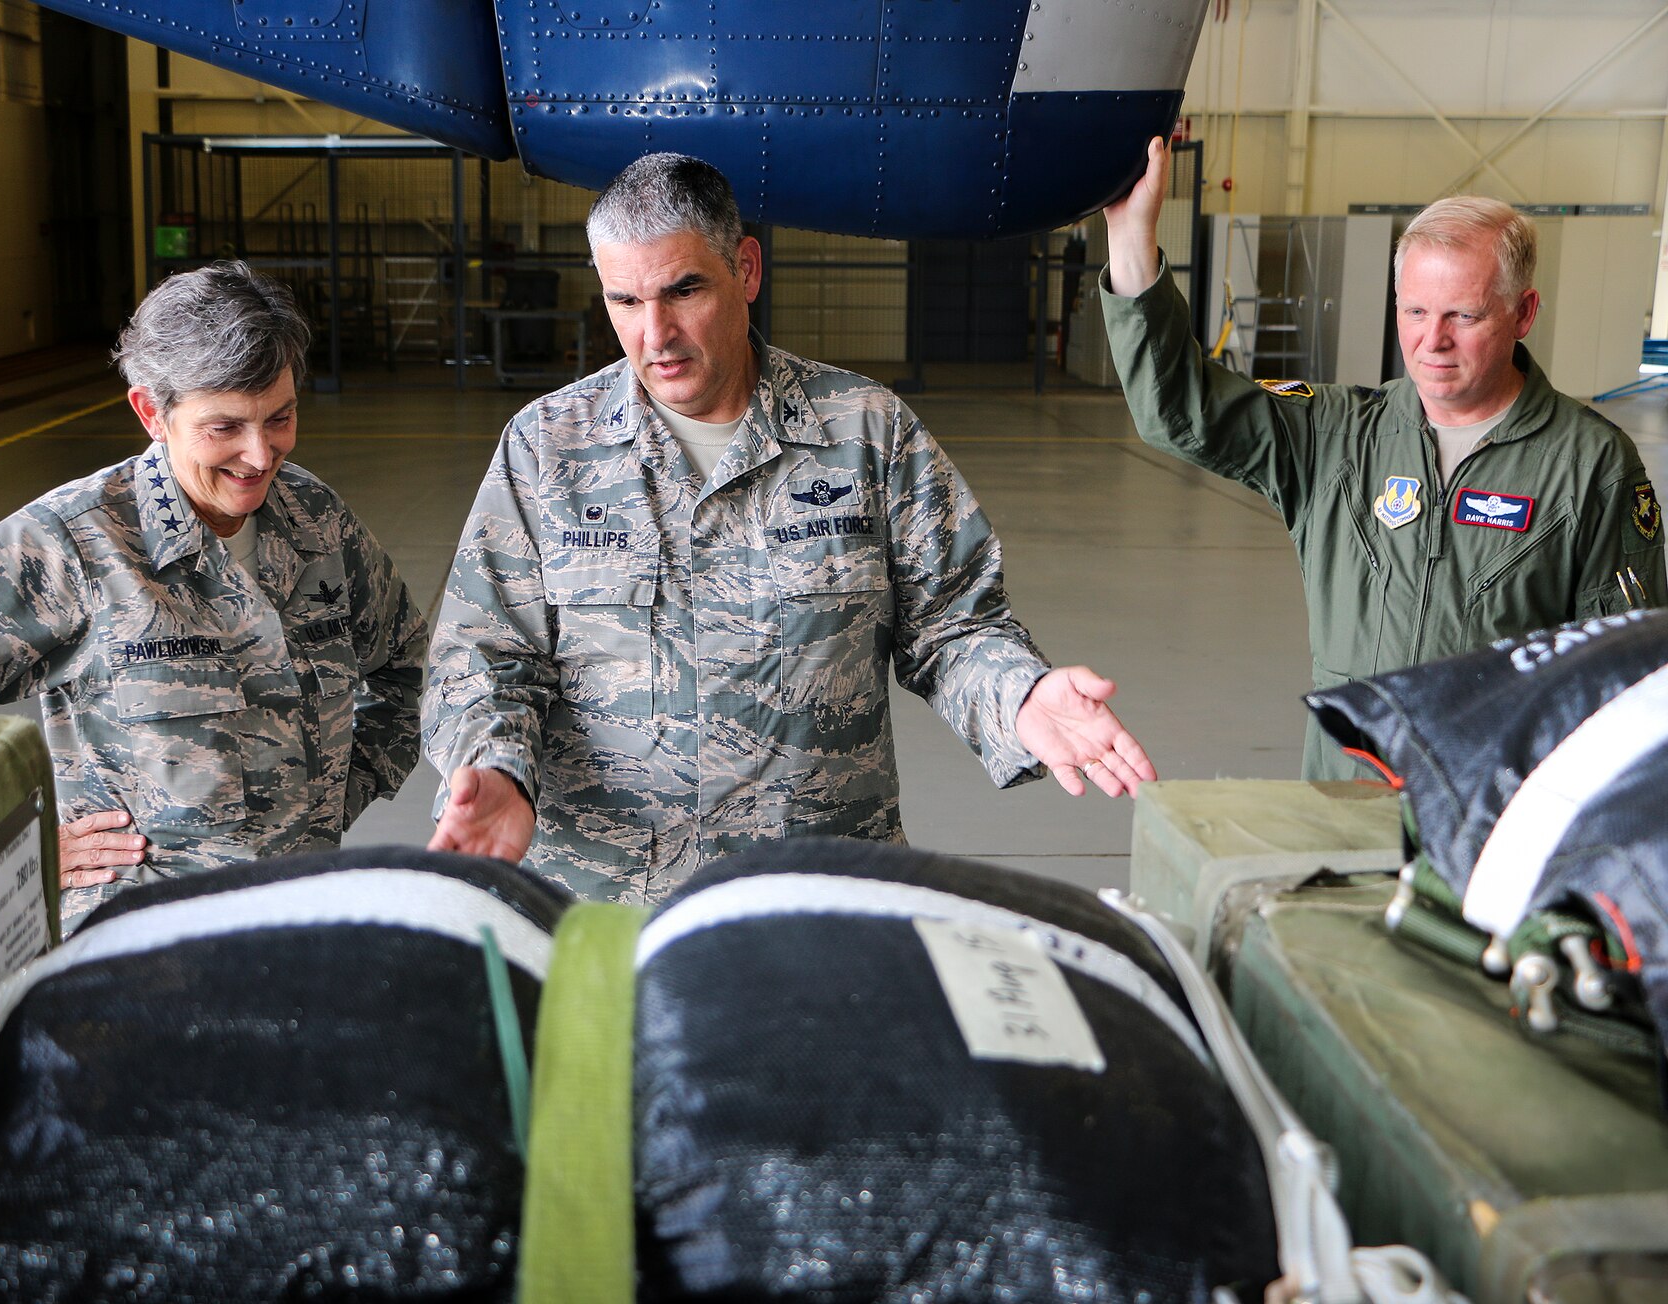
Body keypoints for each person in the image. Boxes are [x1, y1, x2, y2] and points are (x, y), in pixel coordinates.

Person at [421, 152, 1155, 902]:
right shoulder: (547, 449)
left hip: (817, 894)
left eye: (684, 290)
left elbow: (954, 626)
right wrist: (498, 766)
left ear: (746, 270)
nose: (656, 334)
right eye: (625, 301)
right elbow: (485, 653)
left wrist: (1019, 696)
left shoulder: (865, 432)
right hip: (601, 906)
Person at [1101, 138, 1666, 779]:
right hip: (1343, 799)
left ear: (1524, 313)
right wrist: (1131, 239)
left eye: (1465, 315)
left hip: (1487, 818)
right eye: (1416, 311)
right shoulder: (1336, 435)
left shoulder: (1589, 464)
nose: (1433, 341)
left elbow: (1625, 680)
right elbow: (1180, 407)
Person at [0, 260, 428, 929]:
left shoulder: (315, 519)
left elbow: (411, 665)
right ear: (151, 413)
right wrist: (11, 842)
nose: (259, 456)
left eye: (280, 417)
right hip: (141, 943)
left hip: (299, 918)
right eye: (225, 428)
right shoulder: (74, 544)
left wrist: (334, 797)